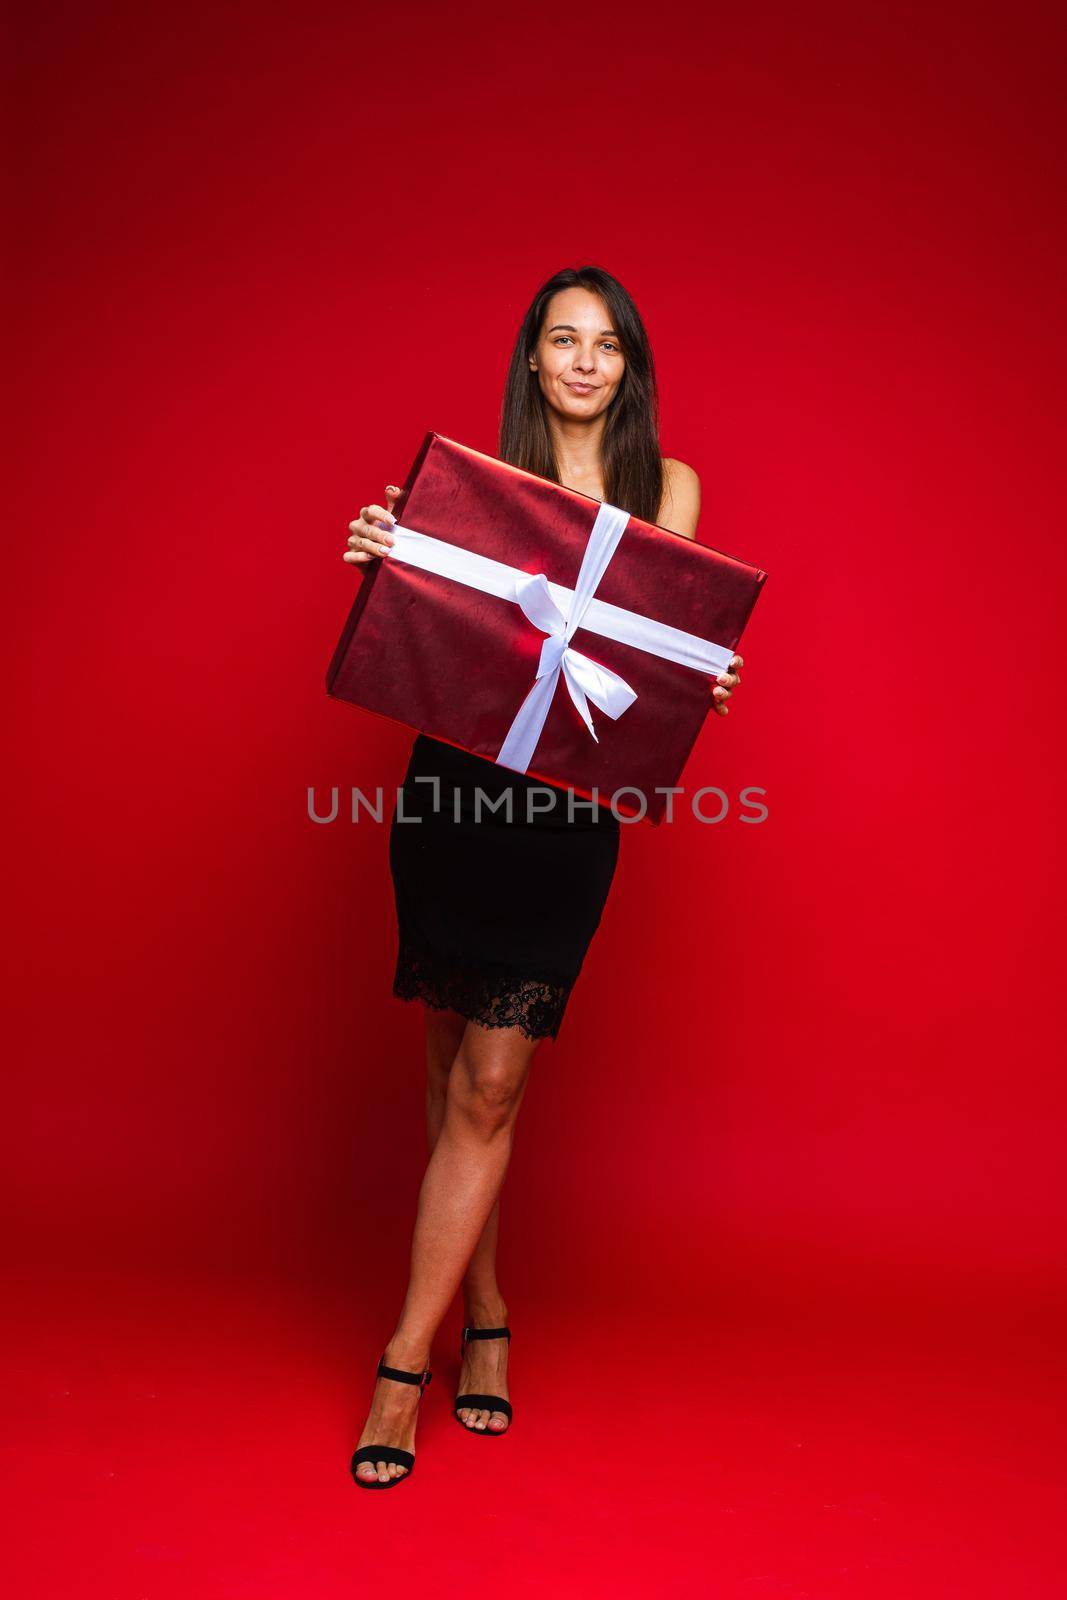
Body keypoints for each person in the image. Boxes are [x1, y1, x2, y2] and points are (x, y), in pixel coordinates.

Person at [342, 265, 744, 1488]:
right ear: (530, 360)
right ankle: (491, 1308)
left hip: (565, 814)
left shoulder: (664, 487)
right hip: (452, 791)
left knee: (492, 1083)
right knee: (448, 1061)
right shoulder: (478, 481)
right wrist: (384, 556)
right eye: (561, 341)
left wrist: (703, 677)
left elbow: (653, 660)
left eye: (606, 344)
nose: (582, 361)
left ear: (628, 367)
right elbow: (444, 631)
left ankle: (402, 1364)